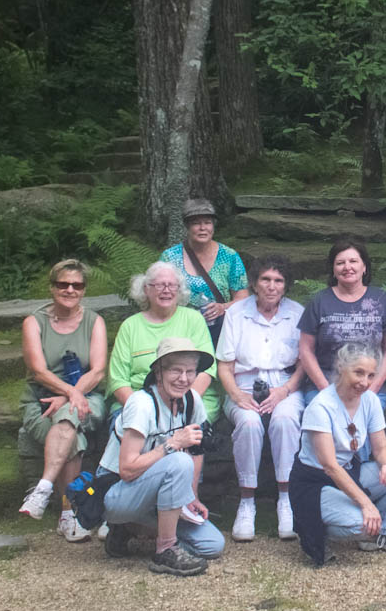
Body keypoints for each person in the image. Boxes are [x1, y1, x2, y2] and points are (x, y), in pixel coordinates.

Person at [99, 338, 224, 576]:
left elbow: (196, 450)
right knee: (178, 460)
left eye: (190, 371)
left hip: (160, 494)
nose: (184, 378)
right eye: (176, 370)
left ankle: (133, 528)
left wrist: (192, 496)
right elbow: (126, 469)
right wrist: (172, 444)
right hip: (118, 492)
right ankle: (164, 549)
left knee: (212, 545)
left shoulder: (191, 400)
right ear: (159, 372)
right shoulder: (141, 404)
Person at [289, 343, 386, 566]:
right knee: (363, 526)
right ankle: (316, 528)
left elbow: (380, 448)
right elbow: (330, 466)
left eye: (370, 375)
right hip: (315, 483)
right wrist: (366, 504)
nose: (365, 382)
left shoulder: (370, 400)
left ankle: (384, 534)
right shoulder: (320, 407)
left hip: (349, 472)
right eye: (358, 373)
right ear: (341, 368)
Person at [216, 255, 305, 542]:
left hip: (284, 384)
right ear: (254, 283)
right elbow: (224, 366)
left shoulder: (297, 313)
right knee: (249, 423)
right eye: (265, 279)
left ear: (286, 285)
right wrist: (236, 395)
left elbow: (304, 364)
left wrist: (284, 391)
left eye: (278, 280)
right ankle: (246, 502)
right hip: (243, 384)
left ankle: (286, 499)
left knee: (285, 419)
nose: (271, 286)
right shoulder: (235, 313)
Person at [18, 259, 107, 543]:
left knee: (69, 415)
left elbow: (98, 370)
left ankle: (43, 489)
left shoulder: (94, 322)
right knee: (74, 437)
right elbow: (38, 371)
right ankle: (69, 513)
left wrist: (71, 396)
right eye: (63, 284)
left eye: (77, 285)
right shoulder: (34, 323)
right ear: (52, 287)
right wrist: (69, 394)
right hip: (42, 399)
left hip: (87, 397)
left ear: (84, 290)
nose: (70, 290)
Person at [107, 262, 219, 424]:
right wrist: (146, 411)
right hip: (138, 402)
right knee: (133, 433)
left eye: (172, 285)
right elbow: (118, 380)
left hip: (187, 399)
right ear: (146, 289)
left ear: (179, 290)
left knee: (184, 435)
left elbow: (207, 370)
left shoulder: (194, 319)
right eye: (159, 285)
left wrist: (182, 405)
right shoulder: (130, 326)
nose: (166, 290)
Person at [297, 237, 386, 407]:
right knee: (324, 421)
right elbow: (305, 349)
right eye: (340, 263)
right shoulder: (319, 301)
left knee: (362, 420)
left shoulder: (382, 299)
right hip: (324, 385)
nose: (347, 267)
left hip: (369, 386)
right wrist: (326, 390)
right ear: (333, 269)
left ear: (364, 267)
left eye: (353, 261)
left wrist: (372, 389)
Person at [161, 198, 249, 347]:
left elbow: (243, 298)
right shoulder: (170, 257)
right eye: (196, 223)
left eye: (207, 222)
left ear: (213, 226)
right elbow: (159, 294)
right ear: (187, 226)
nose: (203, 228)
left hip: (221, 332)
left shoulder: (229, 256)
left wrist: (223, 307)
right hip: (180, 332)